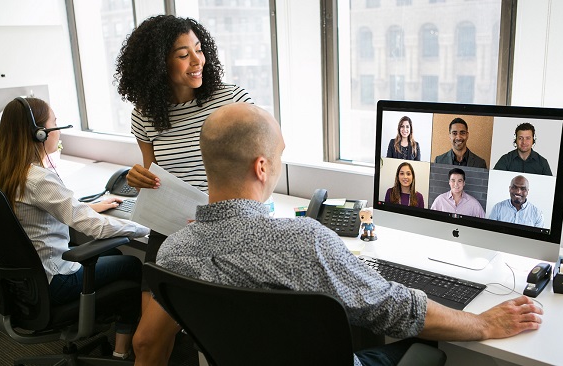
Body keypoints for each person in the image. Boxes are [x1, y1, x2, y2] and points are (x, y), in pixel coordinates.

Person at [146, 103, 542, 366]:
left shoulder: (176, 251)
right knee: (423, 348)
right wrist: (485, 324)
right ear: (262, 167)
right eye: (281, 156)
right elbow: (397, 309)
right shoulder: (305, 241)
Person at [113, 15, 253, 361]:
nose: (197, 61)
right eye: (182, 54)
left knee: (215, 339)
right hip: (169, 232)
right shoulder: (145, 114)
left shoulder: (231, 100)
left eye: (200, 50)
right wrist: (138, 178)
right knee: (146, 342)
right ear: (157, 63)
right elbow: (153, 172)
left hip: (222, 230)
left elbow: (261, 164)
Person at [0, 97, 150, 359]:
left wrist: (92, 206)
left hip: (28, 282)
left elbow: (55, 210)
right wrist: (143, 228)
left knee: (116, 258)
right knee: (132, 266)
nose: (59, 130)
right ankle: (122, 353)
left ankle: (112, 326)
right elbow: (93, 228)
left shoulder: (5, 171)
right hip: (55, 279)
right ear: (39, 133)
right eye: (55, 124)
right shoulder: (39, 178)